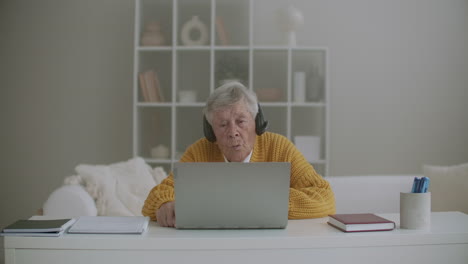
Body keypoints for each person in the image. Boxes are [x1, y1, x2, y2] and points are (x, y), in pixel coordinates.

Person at [142, 81, 336, 227]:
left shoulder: (280, 147)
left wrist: (270, 202)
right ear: (211, 131)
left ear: (256, 122)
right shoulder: (199, 151)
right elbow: (152, 201)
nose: (233, 131)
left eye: (241, 121)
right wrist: (165, 203)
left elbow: (325, 197)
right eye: (223, 124)